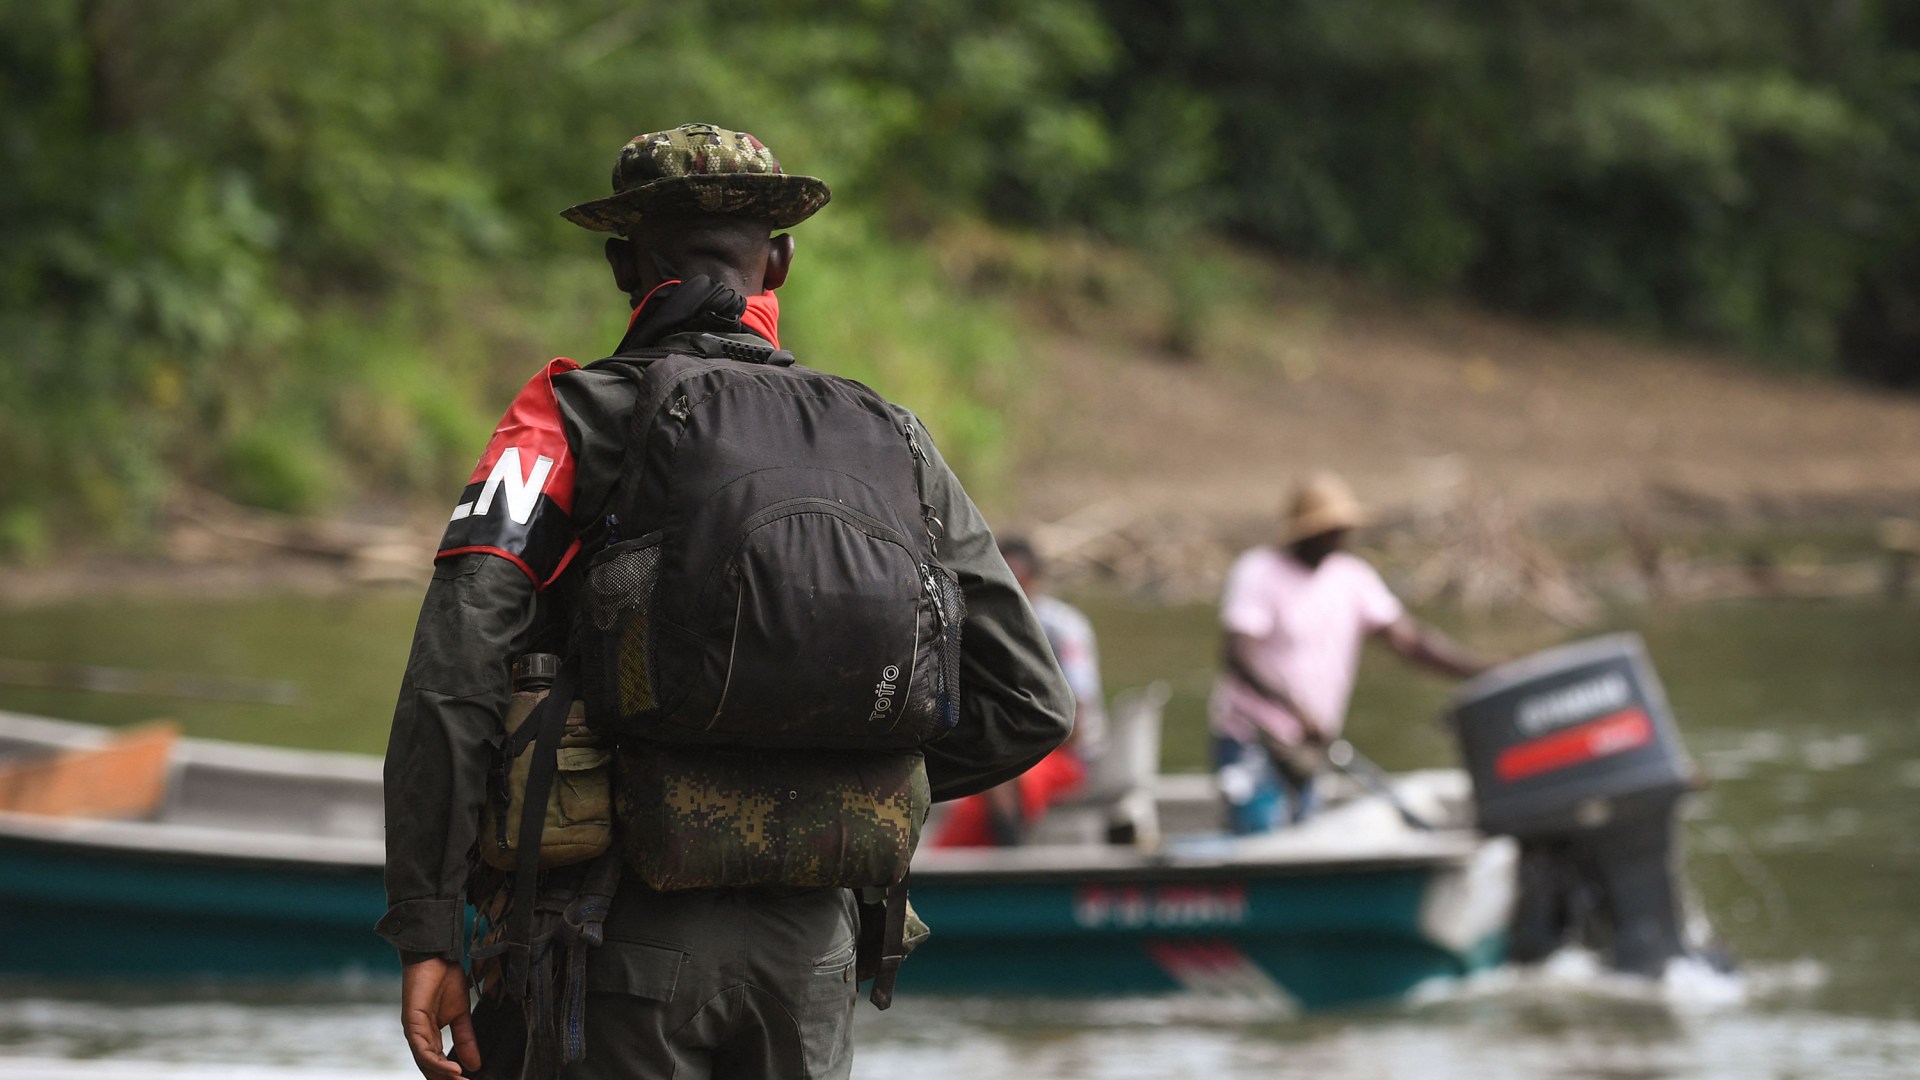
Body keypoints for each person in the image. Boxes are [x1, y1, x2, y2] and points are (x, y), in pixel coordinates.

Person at [376, 123, 1072, 1080]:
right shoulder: (893, 440)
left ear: (626, 265)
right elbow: (1032, 701)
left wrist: (426, 929)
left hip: (607, 946)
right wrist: (827, 790)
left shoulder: (567, 419)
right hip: (813, 963)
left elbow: (452, 677)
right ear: (778, 260)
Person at [1210, 472, 1486, 834]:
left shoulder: (1352, 578)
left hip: (1312, 745)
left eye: (1341, 528)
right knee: (1261, 838)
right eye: (1328, 529)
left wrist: (1481, 669)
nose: (1337, 537)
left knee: (1304, 838)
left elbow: (1410, 641)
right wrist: (1295, 709)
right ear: (1304, 531)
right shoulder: (1258, 571)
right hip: (1254, 741)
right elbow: (1237, 656)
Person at [933, 537, 1105, 846]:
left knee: (1006, 779)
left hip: (1063, 754)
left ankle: (1010, 860)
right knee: (974, 801)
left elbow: (1076, 721)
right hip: (1010, 751)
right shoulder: (981, 625)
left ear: (1034, 580)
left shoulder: (1063, 628)